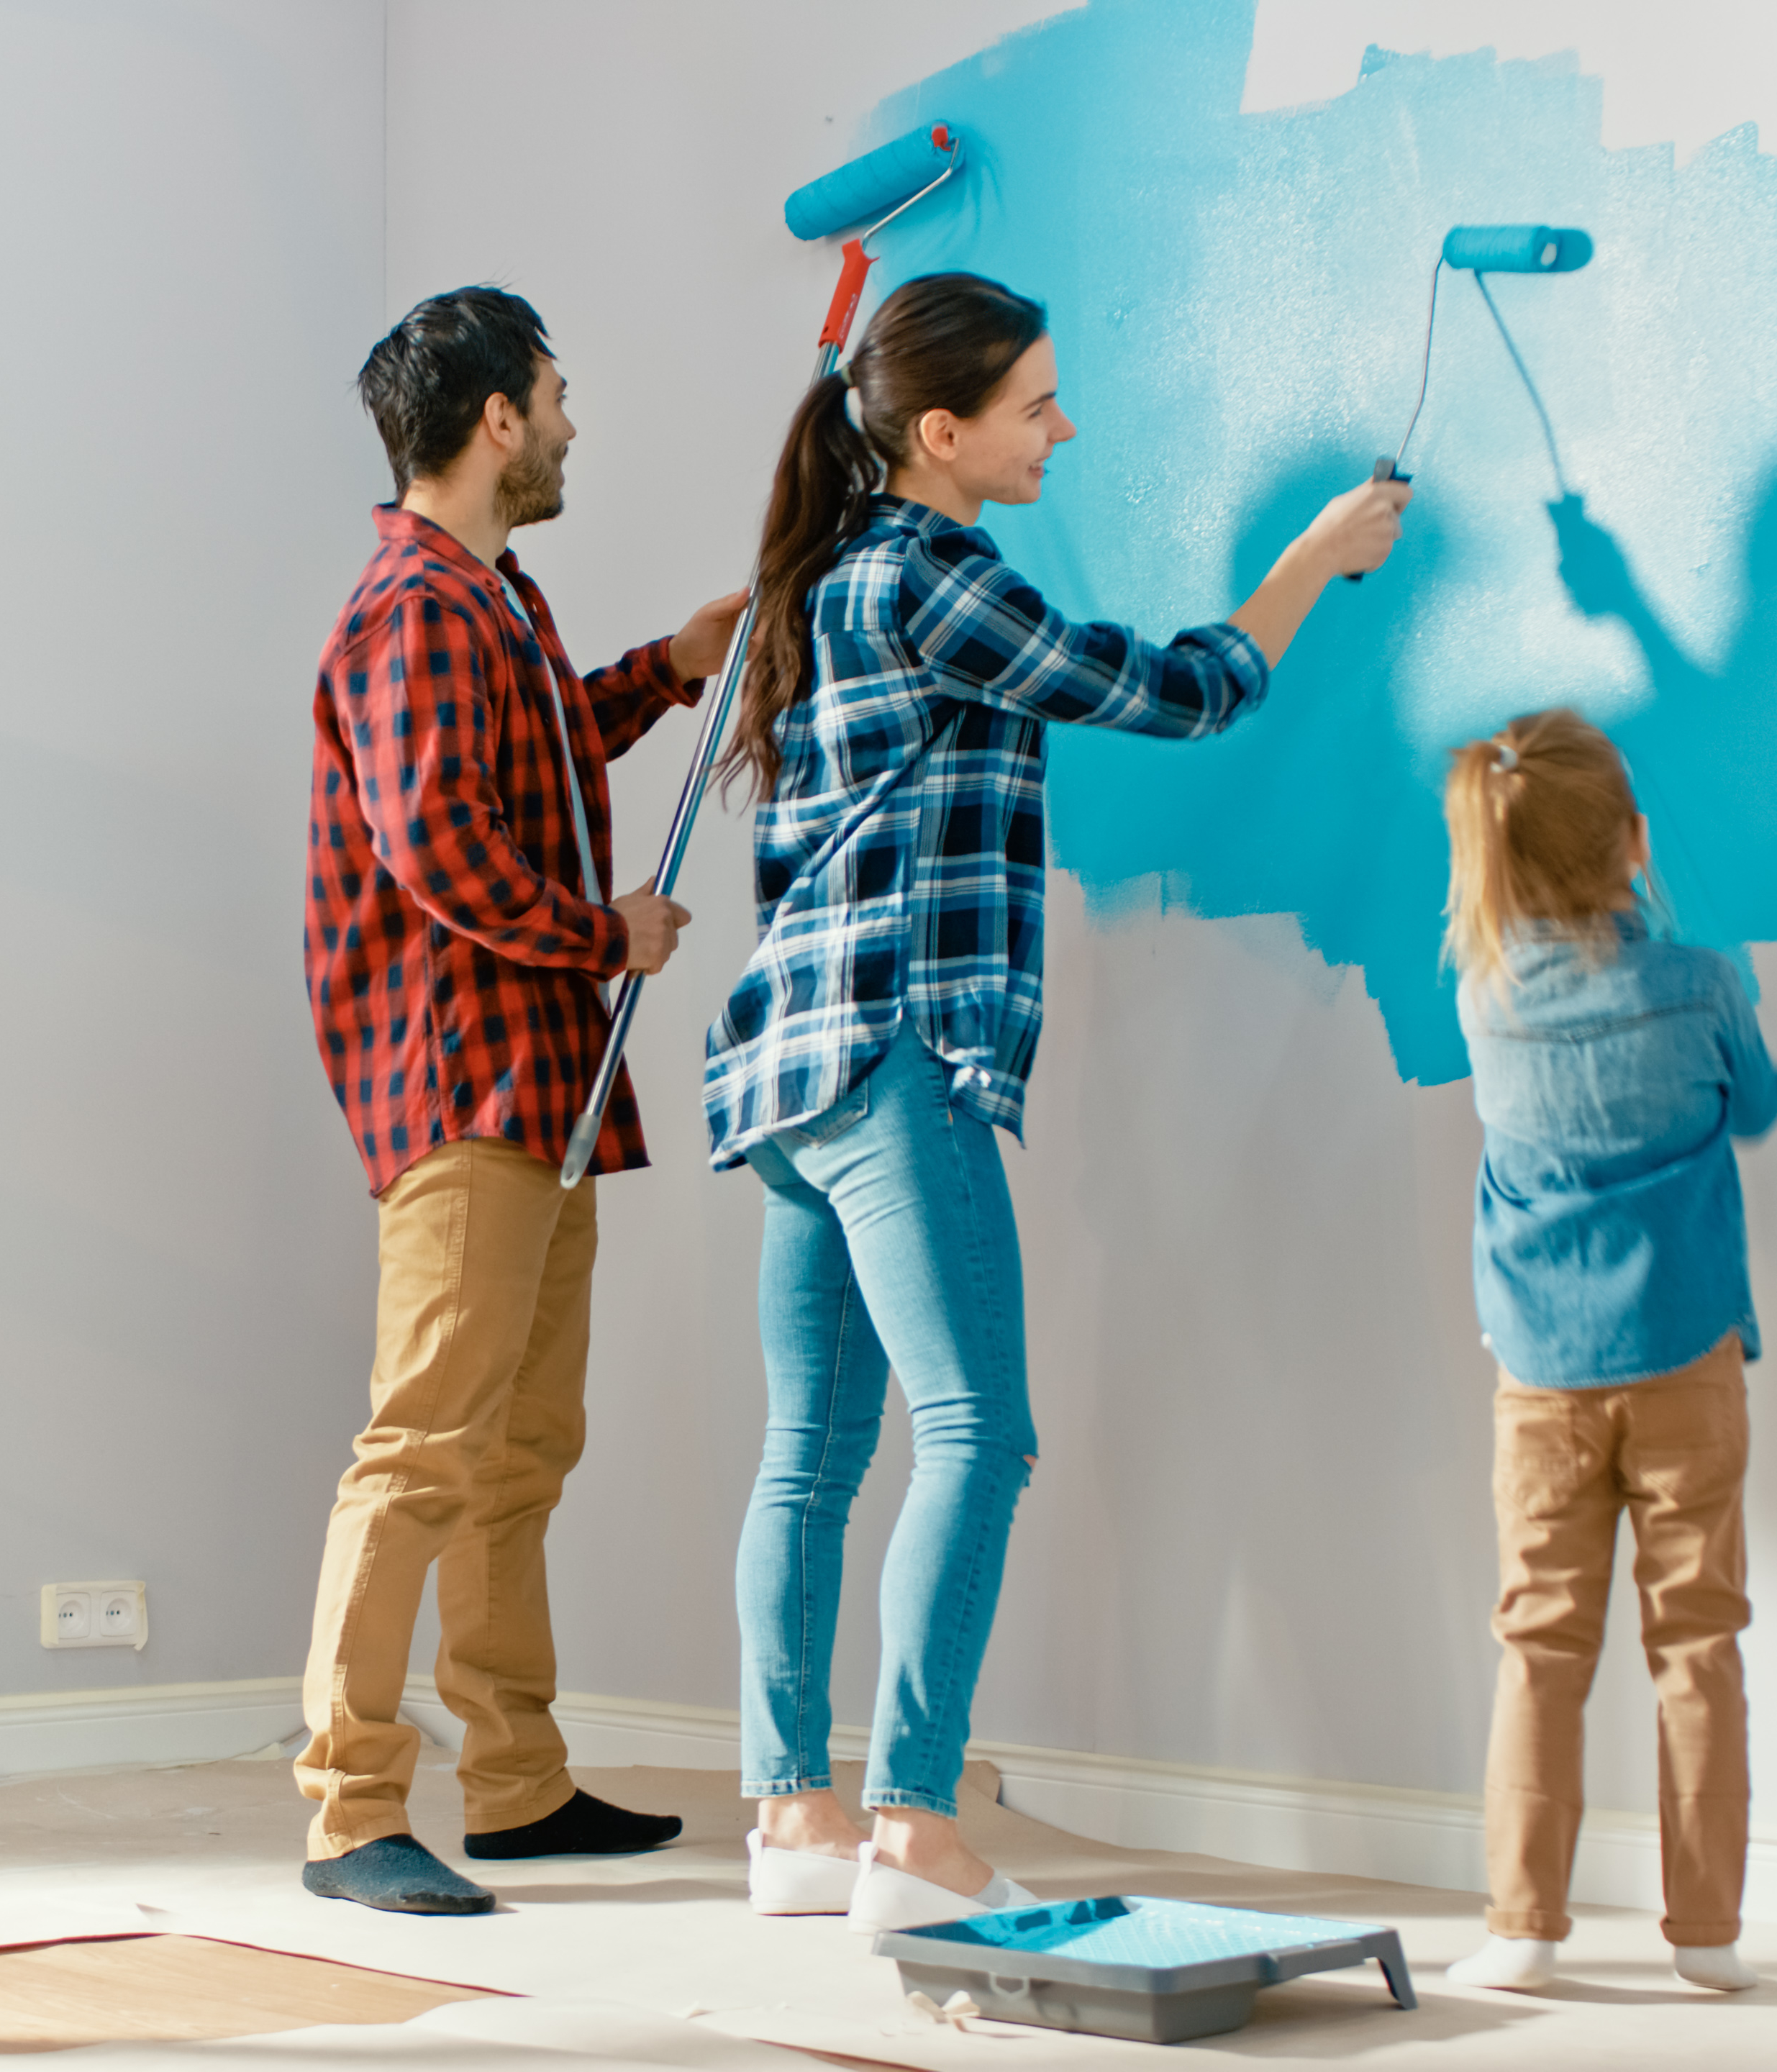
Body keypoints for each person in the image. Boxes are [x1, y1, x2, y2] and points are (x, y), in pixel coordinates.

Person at [704, 271, 1409, 1930]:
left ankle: (793, 1814)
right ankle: (912, 1828)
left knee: (810, 1450)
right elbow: (1176, 690)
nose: (1064, 426)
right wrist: (1312, 563)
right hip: (891, 1051)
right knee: (977, 1433)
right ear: (940, 433)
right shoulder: (935, 575)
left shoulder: (819, 579)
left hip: (789, 1063)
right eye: (1035, 404)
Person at [294, 286, 748, 1917]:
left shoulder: (493, 596)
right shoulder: (412, 607)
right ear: (496, 417)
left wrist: (670, 673)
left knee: (517, 1451)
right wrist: (601, 933)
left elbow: (531, 759)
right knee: (422, 1448)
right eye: (553, 395)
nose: (569, 422)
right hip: (465, 1091)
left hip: (540, 1092)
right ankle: (349, 1811)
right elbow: (443, 849)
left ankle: (516, 1785)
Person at [1435, 705, 1777, 1994]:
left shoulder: (1483, 1000)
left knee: (1540, 1640)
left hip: (1540, 1370)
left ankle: (1521, 1931)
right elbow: (1753, 1102)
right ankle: (1710, 1940)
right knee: (1697, 1642)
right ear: (1634, 843)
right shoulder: (1699, 981)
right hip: (1687, 1352)